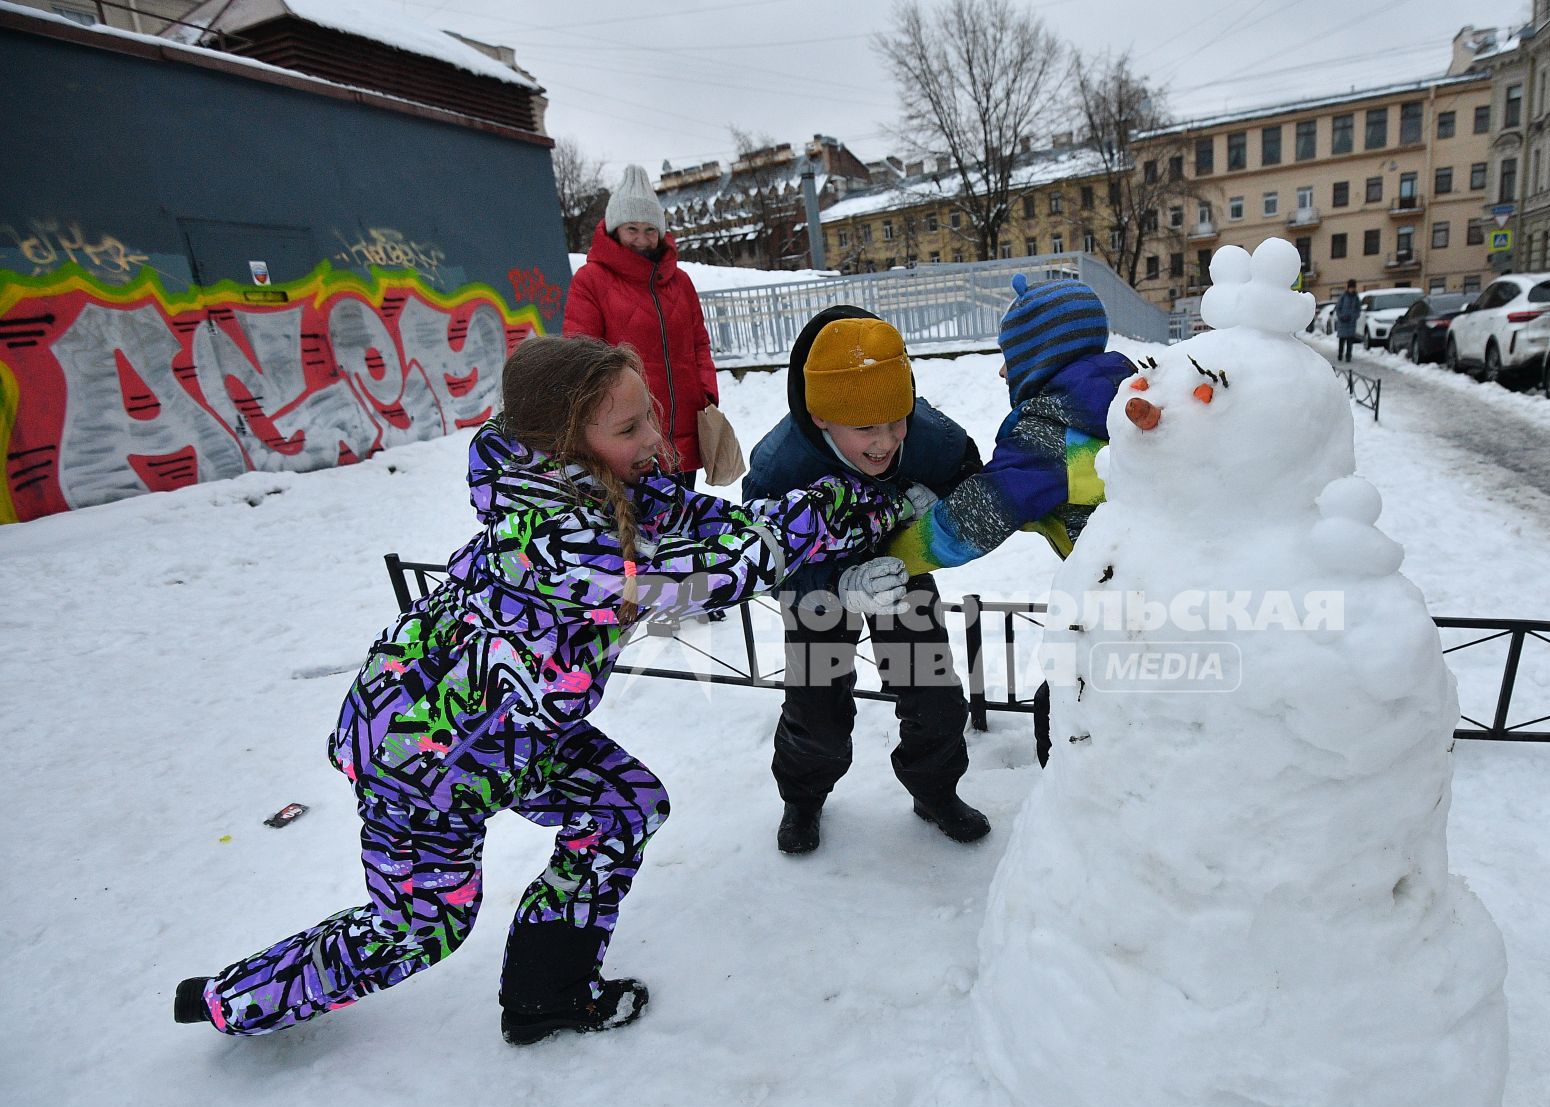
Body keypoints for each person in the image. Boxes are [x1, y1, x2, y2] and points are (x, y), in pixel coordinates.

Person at [172, 336, 912, 1046]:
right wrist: (873, 512)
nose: (656, 436)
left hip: (510, 729)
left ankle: (544, 997)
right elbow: (715, 570)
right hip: (423, 760)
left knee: (624, 806)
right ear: (566, 443)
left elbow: (706, 523)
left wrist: (866, 506)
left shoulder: (609, 484)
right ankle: (235, 1000)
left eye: (648, 412)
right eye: (631, 426)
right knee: (422, 929)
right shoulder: (551, 544)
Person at [743, 309, 990, 857]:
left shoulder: (927, 435)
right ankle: (803, 796)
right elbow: (764, 554)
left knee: (935, 695)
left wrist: (936, 518)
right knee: (817, 708)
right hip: (819, 584)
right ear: (822, 417)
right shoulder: (781, 464)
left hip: (900, 569)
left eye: (896, 421)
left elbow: (973, 481)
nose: (886, 442)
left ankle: (934, 788)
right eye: (866, 429)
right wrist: (835, 586)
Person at [884, 275, 1136, 766]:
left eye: (1010, 353)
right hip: (1179, 591)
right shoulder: (1128, 398)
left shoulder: (1051, 431)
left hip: (1122, 616)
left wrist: (892, 554)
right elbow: (1060, 495)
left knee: (1064, 713)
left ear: (1040, 356)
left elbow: (970, 525)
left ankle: (1071, 810)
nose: (1002, 371)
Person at [564, 164, 718, 485]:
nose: (642, 239)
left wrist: (707, 394)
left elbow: (699, 343)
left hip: (685, 429)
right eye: (632, 228)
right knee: (638, 526)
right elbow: (580, 358)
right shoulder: (591, 281)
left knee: (682, 521)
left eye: (650, 230)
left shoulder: (680, 282)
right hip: (628, 433)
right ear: (615, 229)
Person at [1334, 279, 1362, 362]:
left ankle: (1348, 356)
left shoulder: (1356, 298)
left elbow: (1358, 309)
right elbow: (1338, 308)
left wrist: (1353, 317)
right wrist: (1341, 316)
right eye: (1351, 288)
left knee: (1350, 341)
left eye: (1353, 288)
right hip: (1343, 322)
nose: (1352, 289)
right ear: (1348, 288)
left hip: (1351, 323)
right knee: (1342, 340)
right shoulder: (1343, 297)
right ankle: (1340, 354)